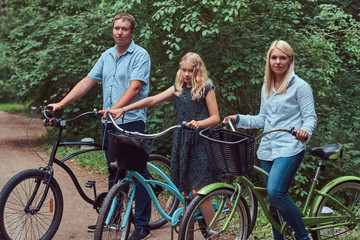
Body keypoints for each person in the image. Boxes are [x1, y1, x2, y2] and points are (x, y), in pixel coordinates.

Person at [48, 13, 152, 239]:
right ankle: (113, 219)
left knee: (137, 173)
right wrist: (61, 103)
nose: (119, 32)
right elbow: (87, 82)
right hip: (109, 123)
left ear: (132, 32)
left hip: (131, 121)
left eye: (124, 29)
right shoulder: (106, 56)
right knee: (114, 169)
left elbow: (134, 89)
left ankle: (142, 225)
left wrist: (115, 108)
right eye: (116, 28)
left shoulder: (141, 55)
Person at [100, 52, 221, 238]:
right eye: (184, 70)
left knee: (200, 192)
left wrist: (199, 123)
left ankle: (215, 234)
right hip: (182, 142)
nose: (187, 74)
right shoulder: (178, 87)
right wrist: (122, 109)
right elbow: (152, 100)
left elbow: (215, 118)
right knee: (187, 194)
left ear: (198, 71)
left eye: (191, 71)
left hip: (201, 142)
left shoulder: (206, 88)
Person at [223, 40, 317, 240]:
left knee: (275, 192)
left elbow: (310, 117)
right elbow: (262, 119)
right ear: (269, 60)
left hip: (290, 147)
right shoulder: (267, 85)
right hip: (267, 148)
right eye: (274, 57)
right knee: (273, 204)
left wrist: (305, 131)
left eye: (282, 58)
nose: (278, 62)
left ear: (290, 60)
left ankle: (302, 237)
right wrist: (238, 119)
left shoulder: (300, 86)